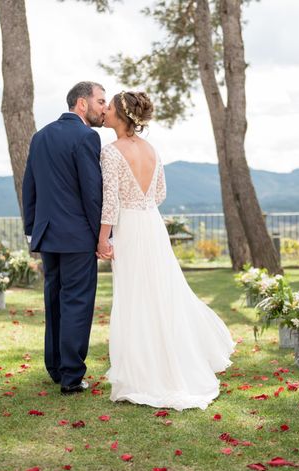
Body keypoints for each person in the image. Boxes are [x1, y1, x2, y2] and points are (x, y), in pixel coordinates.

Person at [98, 91, 235, 410]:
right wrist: (142, 207)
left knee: (135, 295)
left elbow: (111, 201)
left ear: (121, 114)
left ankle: (144, 370)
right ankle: (167, 358)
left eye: (110, 108)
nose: (105, 112)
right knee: (161, 292)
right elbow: (159, 193)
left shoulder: (111, 152)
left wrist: (104, 238)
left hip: (130, 228)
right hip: (152, 225)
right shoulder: (152, 151)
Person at [22, 81, 107, 395]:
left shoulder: (40, 136)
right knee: (77, 302)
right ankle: (71, 376)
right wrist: (102, 235)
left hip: (48, 235)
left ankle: (57, 368)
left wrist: (33, 227)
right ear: (81, 104)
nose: (103, 107)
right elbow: (92, 193)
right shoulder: (87, 136)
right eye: (100, 101)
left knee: (54, 301)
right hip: (77, 237)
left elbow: (29, 185)